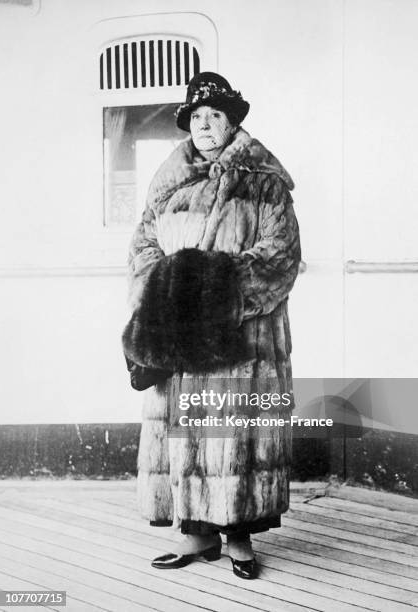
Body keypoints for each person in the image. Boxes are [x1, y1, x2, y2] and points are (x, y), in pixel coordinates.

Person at [125, 72, 301, 579]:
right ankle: (198, 536)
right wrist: (167, 291)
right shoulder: (166, 183)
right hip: (177, 334)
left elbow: (279, 256)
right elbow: (141, 249)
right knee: (184, 435)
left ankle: (239, 538)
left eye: (215, 116)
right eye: (196, 117)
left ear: (232, 122)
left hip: (241, 337)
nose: (204, 125)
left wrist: (211, 290)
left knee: (235, 436)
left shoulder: (265, 184)